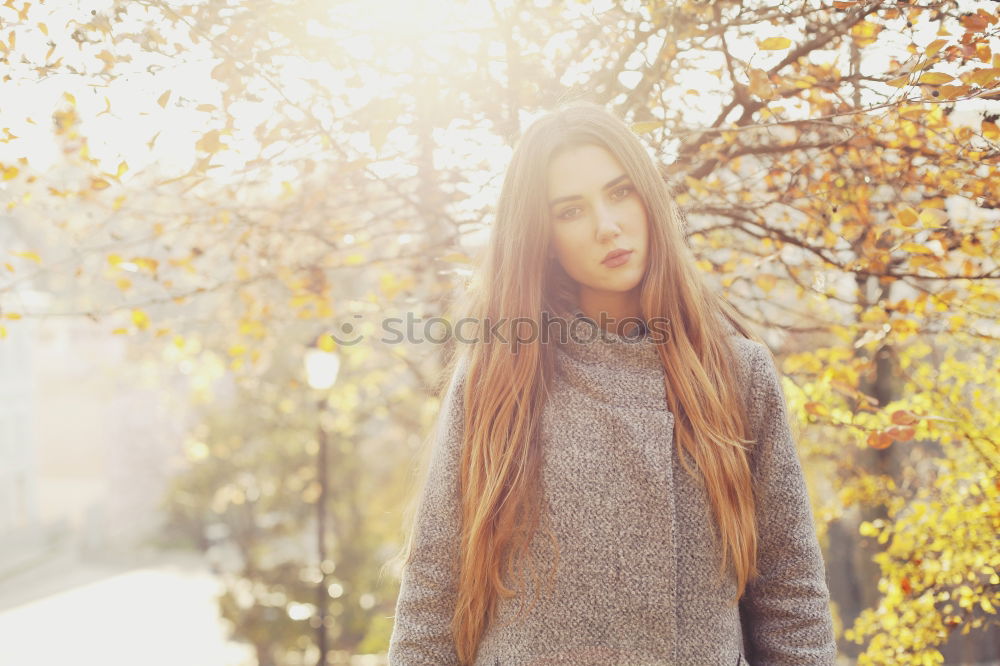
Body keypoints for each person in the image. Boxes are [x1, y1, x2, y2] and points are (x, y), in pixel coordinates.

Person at [386, 101, 837, 665]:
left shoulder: (737, 375)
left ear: (649, 198)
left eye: (620, 192)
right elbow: (433, 596)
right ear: (544, 235)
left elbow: (791, 602)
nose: (607, 226)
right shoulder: (497, 379)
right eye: (571, 211)